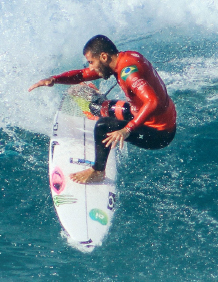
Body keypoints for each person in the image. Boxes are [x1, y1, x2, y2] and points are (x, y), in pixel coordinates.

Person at [28, 35, 177, 184]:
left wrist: (127, 129)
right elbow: (82, 74)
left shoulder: (128, 73)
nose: (90, 67)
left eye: (91, 62)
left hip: (159, 133)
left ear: (104, 56)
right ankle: (97, 108)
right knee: (99, 107)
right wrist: (55, 79)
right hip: (142, 112)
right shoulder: (123, 59)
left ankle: (98, 171)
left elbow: (153, 102)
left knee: (103, 126)